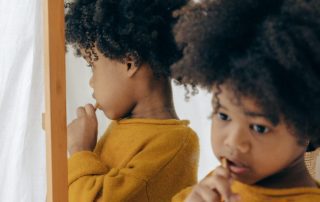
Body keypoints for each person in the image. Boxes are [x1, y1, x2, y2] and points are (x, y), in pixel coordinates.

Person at [171, 0, 320, 201]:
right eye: (224, 115)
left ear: (309, 127)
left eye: (259, 128)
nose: (233, 142)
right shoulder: (218, 182)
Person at [65, 0, 199, 201]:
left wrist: (79, 150)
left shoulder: (175, 142)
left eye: (92, 66)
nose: (91, 82)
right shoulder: (123, 126)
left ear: (130, 63)